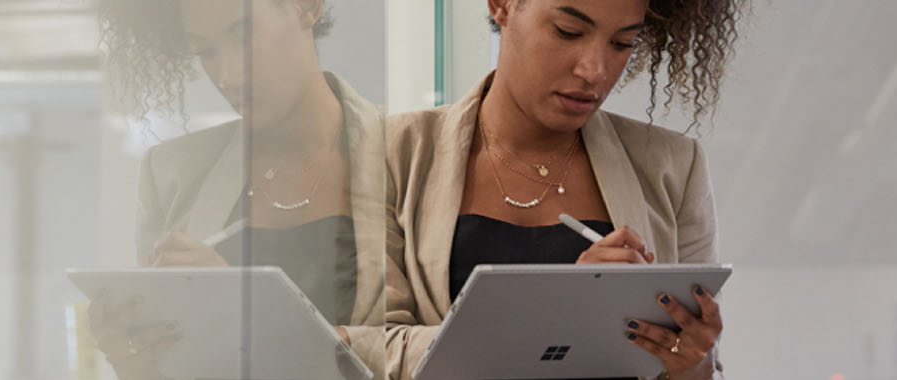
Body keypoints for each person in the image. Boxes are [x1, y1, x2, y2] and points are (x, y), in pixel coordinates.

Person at [383, 0, 744, 379]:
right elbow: (369, 350)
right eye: (568, 32)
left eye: (622, 43)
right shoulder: (390, 153)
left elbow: (702, 363)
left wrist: (693, 365)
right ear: (502, 5)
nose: (595, 71)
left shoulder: (672, 166)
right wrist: (557, 314)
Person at [88, 0, 385, 378]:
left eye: (243, 37)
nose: (228, 75)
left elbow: (433, 347)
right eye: (204, 51)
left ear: (307, 6)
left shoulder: (413, 156)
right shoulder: (171, 175)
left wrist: (246, 311)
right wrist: (138, 361)